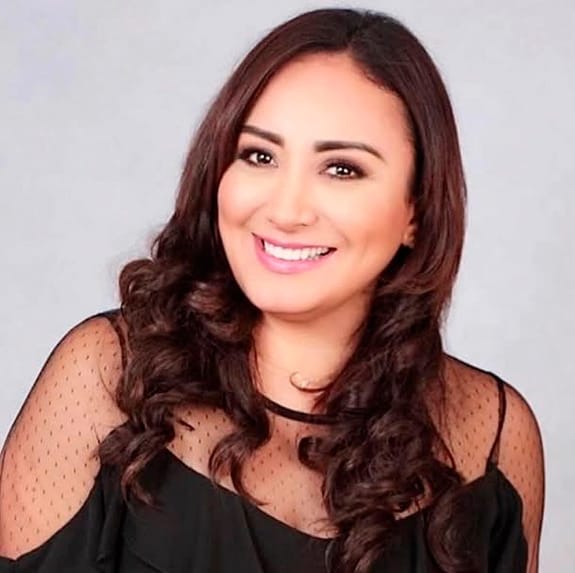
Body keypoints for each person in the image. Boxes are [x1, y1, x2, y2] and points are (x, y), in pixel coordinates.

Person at [0, 7, 545, 573]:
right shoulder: (109, 374)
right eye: (259, 156)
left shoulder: (493, 436)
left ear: (417, 210)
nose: (285, 211)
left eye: (341, 169)